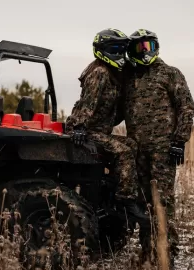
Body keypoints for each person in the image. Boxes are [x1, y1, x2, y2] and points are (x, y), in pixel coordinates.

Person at [65, 28, 151, 255]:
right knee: (122, 151)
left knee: (131, 145)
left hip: (99, 130)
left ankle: (120, 188)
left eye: (121, 49)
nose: (119, 54)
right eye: (114, 49)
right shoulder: (100, 73)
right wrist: (80, 127)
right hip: (88, 130)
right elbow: (87, 104)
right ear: (101, 51)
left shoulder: (113, 74)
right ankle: (126, 200)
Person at [120, 28, 194, 270]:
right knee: (142, 202)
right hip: (137, 150)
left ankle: (167, 254)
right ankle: (147, 252)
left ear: (156, 47)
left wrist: (179, 140)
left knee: (162, 201)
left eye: (149, 46)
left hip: (164, 149)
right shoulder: (130, 77)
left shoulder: (169, 73)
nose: (145, 52)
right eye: (140, 47)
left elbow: (186, 107)